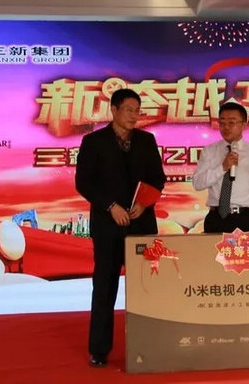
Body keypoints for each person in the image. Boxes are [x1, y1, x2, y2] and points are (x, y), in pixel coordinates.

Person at [75, 88, 166, 368]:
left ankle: (149, 346)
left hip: (141, 223)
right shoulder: (93, 142)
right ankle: (99, 350)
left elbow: (158, 179)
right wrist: (110, 206)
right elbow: (84, 182)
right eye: (128, 109)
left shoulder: (147, 141)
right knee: (105, 286)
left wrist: (144, 203)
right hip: (108, 226)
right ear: (113, 110)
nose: (134, 115)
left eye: (137, 110)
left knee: (146, 286)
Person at [192, 102, 249, 233]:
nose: (226, 127)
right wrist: (223, 167)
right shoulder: (209, 151)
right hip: (216, 218)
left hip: (246, 218)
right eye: (222, 123)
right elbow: (197, 184)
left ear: (244, 124)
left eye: (231, 123)